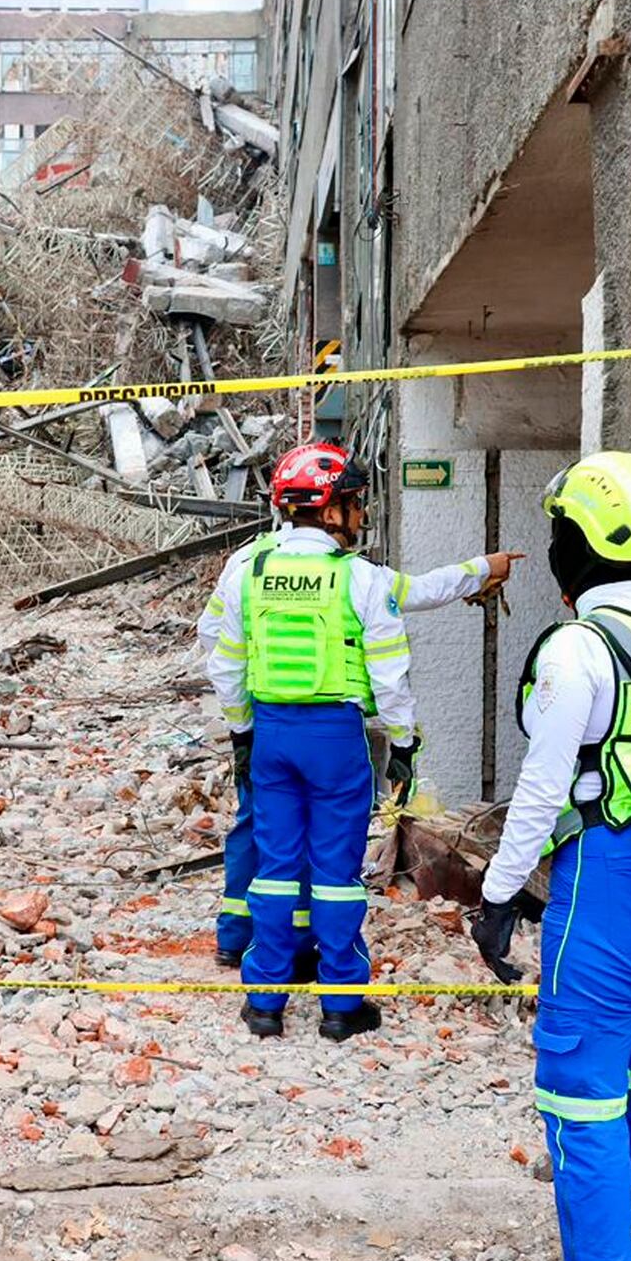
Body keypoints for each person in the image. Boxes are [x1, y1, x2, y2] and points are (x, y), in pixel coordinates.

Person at [471, 451, 631, 1261]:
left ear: (583, 541)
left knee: (581, 1102)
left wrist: (499, 892)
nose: (554, 548)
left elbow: (543, 788)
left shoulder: (578, 649)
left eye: (558, 532)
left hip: (610, 891)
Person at [197, 548, 525, 969]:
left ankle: (246, 949)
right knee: (330, 846)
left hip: (267, 719)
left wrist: (245, 708)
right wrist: (480, 570)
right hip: (331, 730)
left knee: (265, 835)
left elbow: (215, 637)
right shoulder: (353, 572)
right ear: (335, 511)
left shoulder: (248, 564)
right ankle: (325, 970)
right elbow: (417, 593)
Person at [205, 442, 421, 1041]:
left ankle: (265, 1001)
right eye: (353, 504)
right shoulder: (362, 579)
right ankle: (341, 1004)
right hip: (335, 741)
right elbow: (389, 674)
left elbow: (226, 662)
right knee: (335, 871)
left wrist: (241, 730)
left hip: (271, 734)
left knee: (275, 867)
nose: (358, 516)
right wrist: (402, 741)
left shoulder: (251, 571)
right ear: (330, 512)